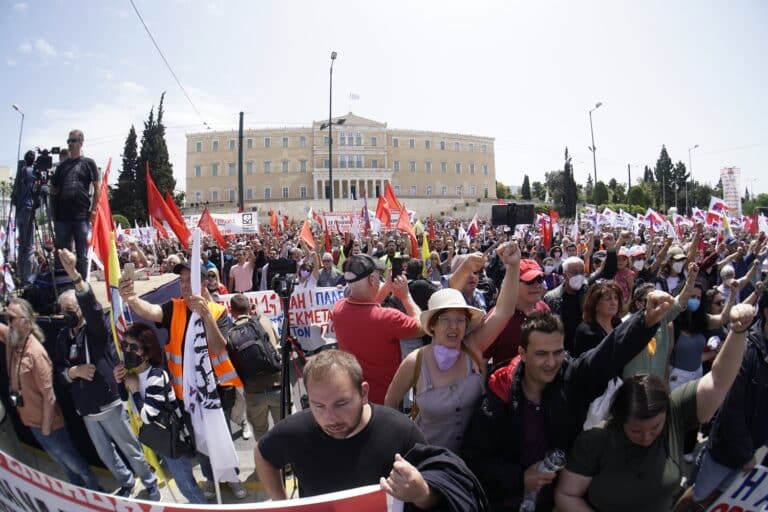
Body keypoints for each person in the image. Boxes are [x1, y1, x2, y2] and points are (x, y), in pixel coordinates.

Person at [462, 291, 675, 511]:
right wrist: (521, 478)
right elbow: (475, 459)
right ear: (523, 354)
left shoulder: (570, 379)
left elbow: (606, 355)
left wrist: (645, 320)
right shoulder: (499, 396)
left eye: (557, 352)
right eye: (541, 354)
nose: (551, 362)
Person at [554, 304, 754, 512]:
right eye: (636, 430)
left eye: (655, 428)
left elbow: (718, 380)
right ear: (619, 419)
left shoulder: (675, 413)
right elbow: (567, 494)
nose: (647, 437)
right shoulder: (595, 440)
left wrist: (738, 332)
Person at [255, 349, 467, 509]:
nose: (330, 418)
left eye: (341, 403)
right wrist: (281, 505)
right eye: (318, 405)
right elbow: (262, 453)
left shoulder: (400, 431)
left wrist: (423, 494)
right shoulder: (295, 431)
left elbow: (440, 492)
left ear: (363, 392)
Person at [119, 261, 247, 500]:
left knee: (221, 437)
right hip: (186, 394)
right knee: (200, 440)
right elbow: (149, 311)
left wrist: (206, 315)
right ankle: (211, 478)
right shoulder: (174, 308)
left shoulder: (217, 311)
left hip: (216, 392)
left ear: (204, 283)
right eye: (181, 281)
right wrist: (132, 298)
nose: (184, 286)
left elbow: (219, 346)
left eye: (189, 280)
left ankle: (232, 477)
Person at [384, 249, 520, 453]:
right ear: (433, 325)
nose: (453, 327)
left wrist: (513, 266)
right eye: (445, 320)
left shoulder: (473, 348)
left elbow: (504, 311)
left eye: (459, 320)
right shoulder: (416, 361)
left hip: (475, 460)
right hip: (430, 463)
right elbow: (391, 403)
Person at [53, 249, 159, 499]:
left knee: (129, 447)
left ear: (79, 309)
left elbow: (92, 309)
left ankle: (150, 481)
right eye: (62, 310)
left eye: (71, 309)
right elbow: (58, 371)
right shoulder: (61, 338)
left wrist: (77, 277)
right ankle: (126, 481)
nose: (67, 314)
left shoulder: (95, 331)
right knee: (105, 454)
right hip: (87, 411)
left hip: (108, 405)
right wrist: (73, 371)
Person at [1, 298, 101, 490]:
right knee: (62, 464)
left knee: (75, 464)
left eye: (12, 318)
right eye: (7, 317)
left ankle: (95, 492)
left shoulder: (36, 353)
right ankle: (78, 491)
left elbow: (49, 396)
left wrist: (46, 428)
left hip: (48, 426)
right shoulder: (13, 341)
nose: (9, 322)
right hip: (31, 422)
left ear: (26, 322)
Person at [682, 290, 768, 510]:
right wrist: (745, 454)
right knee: (700, 498)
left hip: (758, 454)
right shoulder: (746, 349)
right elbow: (731, 408)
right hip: (728, 450)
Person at [112, 323, 207, 504]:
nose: (128, 351)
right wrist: (119, 382)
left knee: (186, 486)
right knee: (184, 484)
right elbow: (126, 404)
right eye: (125, 346)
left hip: (173, 441)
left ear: (147, 352)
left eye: (134, 347)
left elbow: (148, 415)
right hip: (157, 439)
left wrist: (135, 391)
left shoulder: (156, 376)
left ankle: (202, 506)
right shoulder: (131, 373)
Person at [332, 254, 424, 404]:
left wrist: (387, 286)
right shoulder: (389, 318)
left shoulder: (338, 309)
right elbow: (421, 326)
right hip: (386, 402)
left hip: (354, 397)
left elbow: (367, 307)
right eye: (379, 276)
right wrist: (406, 297)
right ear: (372, 280)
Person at [228, 293, 281, 442]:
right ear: (250, 307)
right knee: (284, 429)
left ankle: (266, 463)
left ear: (232, 312)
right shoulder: (263, 321)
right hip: (277, 385)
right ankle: (288, 463)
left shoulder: (230, 333)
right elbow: (276, 341)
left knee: (260, 432)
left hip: (253, 392)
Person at [50, 129, 100, 278]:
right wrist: (50, 187)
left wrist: (94, 210)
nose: (70, 144)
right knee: (61, 254)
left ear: (81, 142)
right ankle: (62, 287)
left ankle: (82, 286)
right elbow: (54, 188)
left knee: (82, 254)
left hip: (81, 215)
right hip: (62, 217)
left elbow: (97, 186)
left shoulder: (88, 163)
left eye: (73, 141)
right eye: (68, 141)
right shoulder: (62, 166)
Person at [544, 256, 588, 354]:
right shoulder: (551, 298)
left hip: (585, 349)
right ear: (564, 275)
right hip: (562, 350)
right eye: (575, 272)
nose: (579, 276)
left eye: (582, 272)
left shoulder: (589, 293)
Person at [572, 280, 623, 357]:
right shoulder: (586, 332)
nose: (614, 303)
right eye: (608, 299)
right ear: (595, 304)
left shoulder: (618, 324)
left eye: (616, 298)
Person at [11, 150, 38, 285]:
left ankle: (23, 277)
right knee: (29, 247)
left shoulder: (20, 173)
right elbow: (36, 190)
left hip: (20, 211)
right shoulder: (31, 172)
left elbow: (14, 198)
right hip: (28, 210)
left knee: (22, 246)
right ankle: (27, 279)